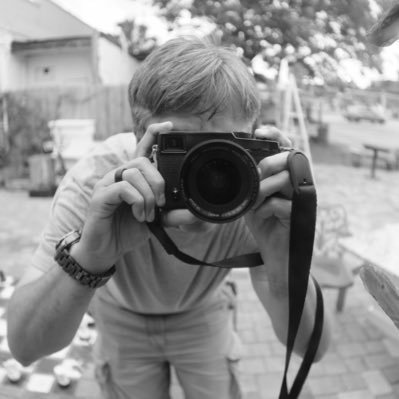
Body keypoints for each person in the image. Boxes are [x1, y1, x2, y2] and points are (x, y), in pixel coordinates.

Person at [7, 36, 331, 399]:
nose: (210, 175)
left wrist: (283, 254)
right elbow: (24, 346)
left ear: (255, 141)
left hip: (203, 310)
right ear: (138, 140)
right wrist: (90, 256)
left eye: (225, 151)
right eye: (183, 149)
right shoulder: (95, 184)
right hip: (120, 313)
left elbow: (312, 349)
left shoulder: (260, 191)